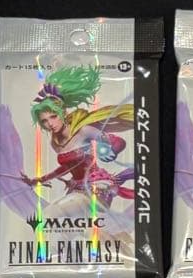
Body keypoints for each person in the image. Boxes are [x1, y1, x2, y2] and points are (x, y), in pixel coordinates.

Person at [21, 65, 135, 212]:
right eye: (44, 121)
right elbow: (66, 167)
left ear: (63, 113)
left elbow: (117, 141)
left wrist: (112, 150)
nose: (50, 124)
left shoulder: (83, 131)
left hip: (97, 186)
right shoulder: (55, 143)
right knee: (65, 222)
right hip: (76, 188)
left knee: (54, 212)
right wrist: (39, 180)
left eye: (53, 117)